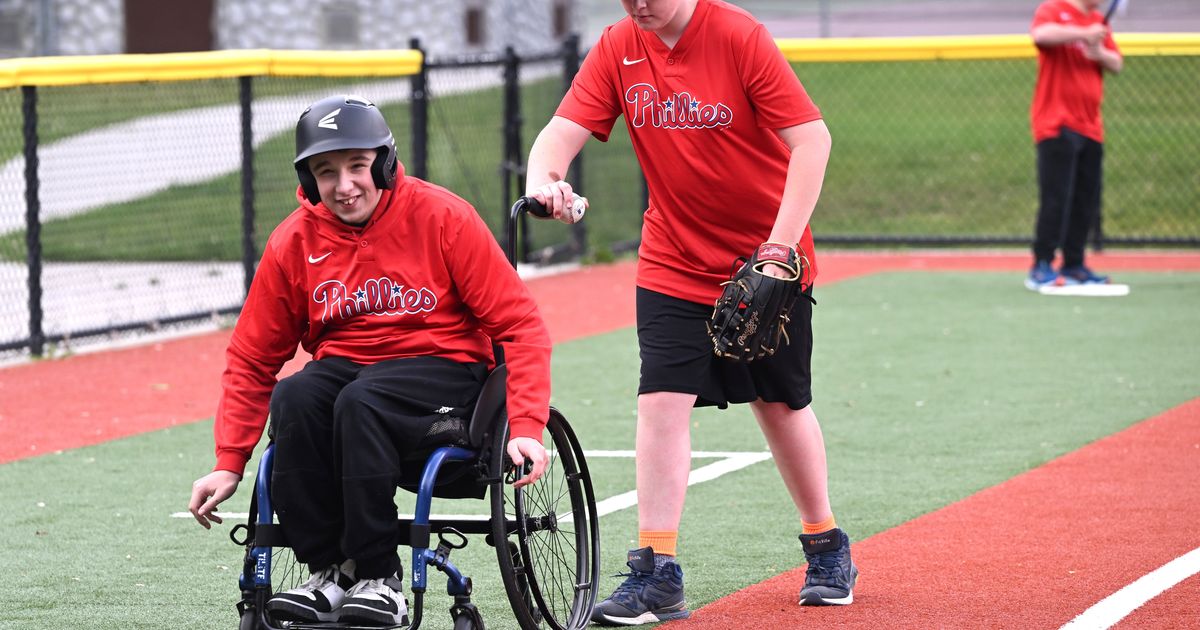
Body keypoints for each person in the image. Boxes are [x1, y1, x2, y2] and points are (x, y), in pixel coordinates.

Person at [524, 0, 856, 624]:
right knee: (661, 399)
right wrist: (547, 181)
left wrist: (778, 249)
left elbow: (812, 139)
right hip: (673, 258)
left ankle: (826, 544)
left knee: (780, 403)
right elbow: (560, 133)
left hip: (766, 264)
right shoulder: (620, 43)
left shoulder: (738, 36)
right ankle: (657, 570)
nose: (639, 4)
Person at [187, 94, 552, 627]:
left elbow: (519, 326)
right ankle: (333, 569)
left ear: (383, 163)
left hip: (444, 370)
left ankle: (381, 578)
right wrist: (229, 461)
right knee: (296, 395)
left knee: (361, 399)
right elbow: (251, 357)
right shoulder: (293, 241)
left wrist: (526, 425)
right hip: (352, 373)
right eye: (325, 172)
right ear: (309, 181)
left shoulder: (444, 216)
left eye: (357, 166)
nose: (344, 185)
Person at [1026, 0, 1123, 290]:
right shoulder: (1054, 10)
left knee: (1085, 200)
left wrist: (1100, 52)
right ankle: (1041, 264)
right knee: (1057, 198)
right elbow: (1041, 35)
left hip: (1091, 126)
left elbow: (1117, 64)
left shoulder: (1097, 21)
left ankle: (1074, 264)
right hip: (1057, 123)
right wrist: (1081, 34)